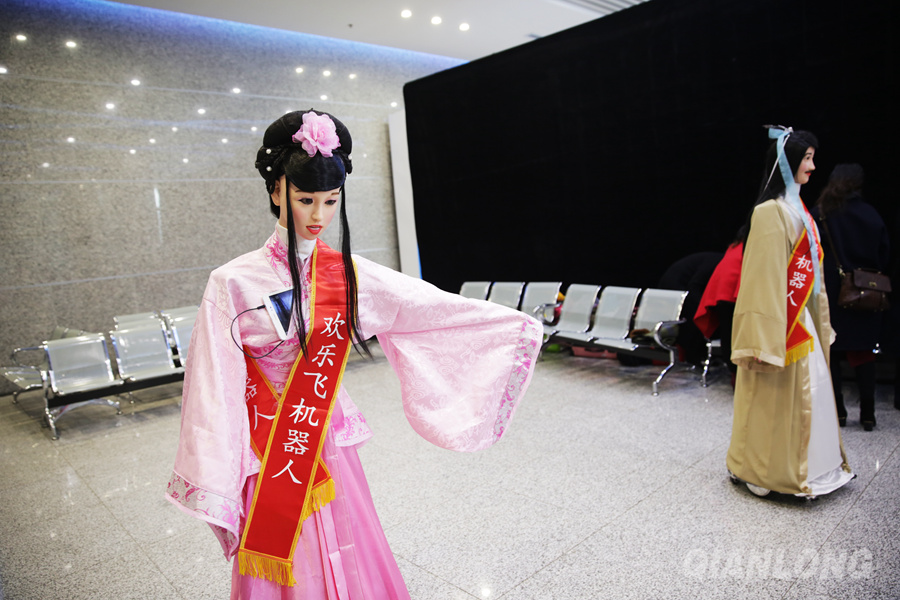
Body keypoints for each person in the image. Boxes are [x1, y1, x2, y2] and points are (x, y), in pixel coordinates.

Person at [165, 109, 543, 599]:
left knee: (348, 541)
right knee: (288, 555)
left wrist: (513, 325)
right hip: (267, 445)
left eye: (331, 200)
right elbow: (212, 383)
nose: (318, 216)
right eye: (305, 199)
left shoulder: (348, 272)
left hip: (326, 432)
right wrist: (219, 467)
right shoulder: (232, 281)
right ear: (276, 191)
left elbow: (427, 306)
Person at [726, 126, 853, 498]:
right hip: (779, 326)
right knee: (773, 400)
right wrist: (763, 338)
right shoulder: (770, 213)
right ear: (787, 162)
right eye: (807, 158)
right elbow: (762, 279)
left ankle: (816, 466)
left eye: (813, 158)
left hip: (801, 321)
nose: (812, 166)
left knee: (810, 395)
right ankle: (762, 470)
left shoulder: (801, 213)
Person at [811, 164, 890, 431]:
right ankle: (868, 414)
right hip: (866, 291)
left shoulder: (821, 213)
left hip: (830, 291)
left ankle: (839, 413)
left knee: (831, 350)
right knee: (864, 351)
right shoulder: (871, 214)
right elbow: (884, 253)